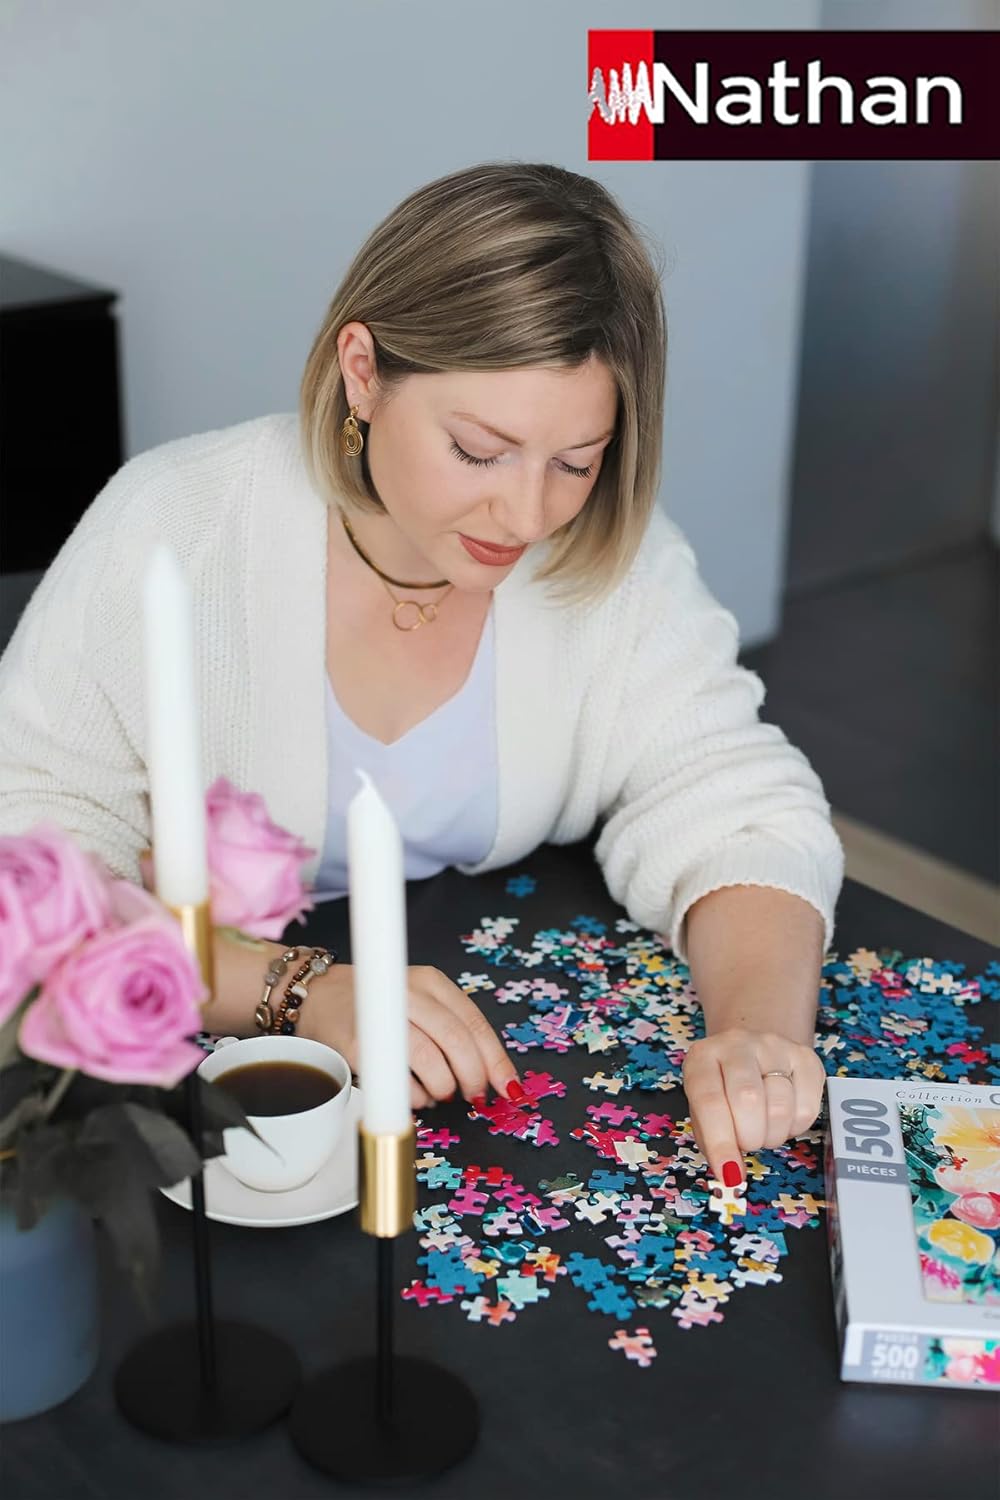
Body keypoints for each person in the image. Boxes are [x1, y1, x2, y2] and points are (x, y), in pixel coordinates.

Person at [0, 161, 843, 1189]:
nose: (526, 517)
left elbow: (733, 803)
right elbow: (25, 849)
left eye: (575, 462)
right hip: (192, 1098)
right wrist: (296, 991)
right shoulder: (173, 524)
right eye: (480, 450)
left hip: (474, 1080)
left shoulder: (613, 560)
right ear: (362, 370)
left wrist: (757, 1033)